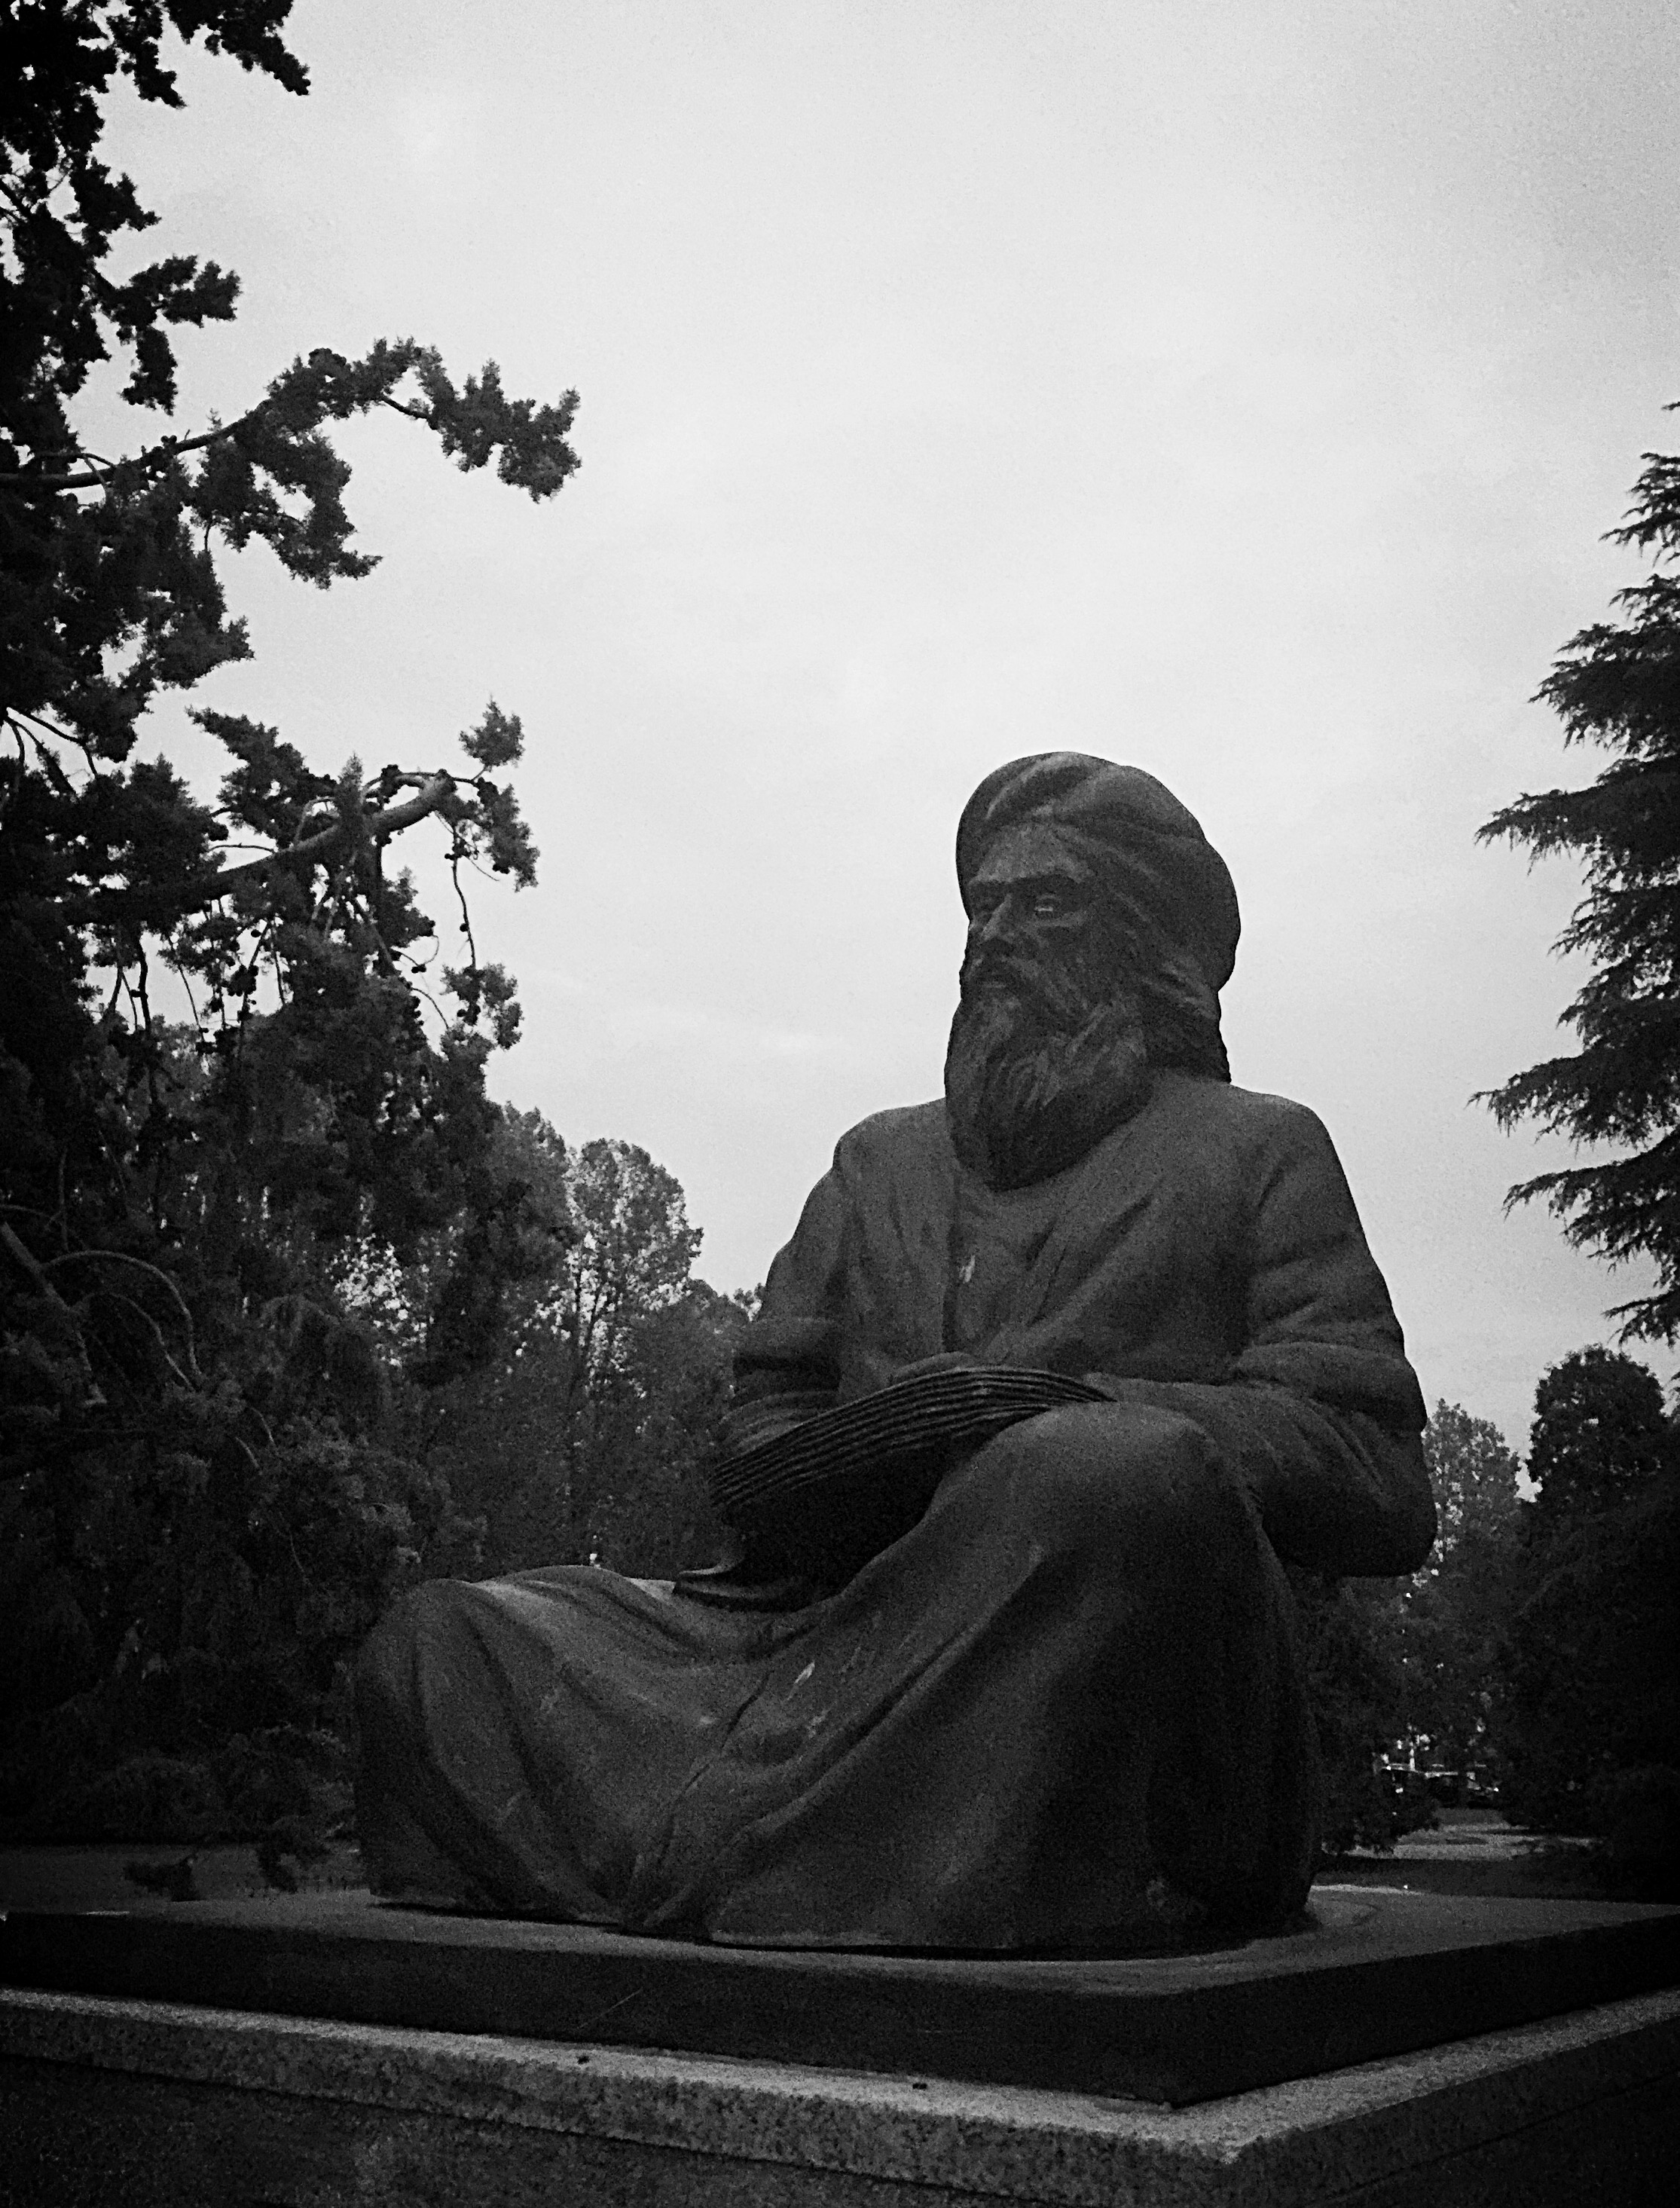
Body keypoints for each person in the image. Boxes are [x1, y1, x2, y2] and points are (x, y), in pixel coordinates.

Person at [356, 753, 1434, 1951]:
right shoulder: (876, 1163)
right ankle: (785, 1854)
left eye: (1046, 901)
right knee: (445, 1640)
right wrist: (859, 1457)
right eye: (984, 905)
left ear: (1139, 937)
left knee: (1113, 1474)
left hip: (1132, 1700)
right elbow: (755, 1441)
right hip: (820, 1648)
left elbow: (1376, 1474)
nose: (997, 935)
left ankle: (761, 1853)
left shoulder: (1256, 1149)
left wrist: (1049, 1409)